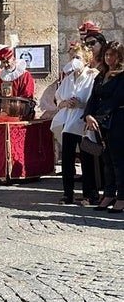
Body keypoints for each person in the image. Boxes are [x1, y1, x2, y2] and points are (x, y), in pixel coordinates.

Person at [51, 44, 98, 205]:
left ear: (86, 60)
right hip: (69, 122)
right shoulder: (68, 79)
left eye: (77, 57)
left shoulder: (92, 76)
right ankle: (67, 193)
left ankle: (89, 195)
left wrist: (81, 105)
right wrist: (66, 103)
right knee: (67, 160)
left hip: (84, 123)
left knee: (87, 160)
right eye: (72, 57)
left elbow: (95, 101)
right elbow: (58, 100)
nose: (74, 60)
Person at [84, 42, 124, 213]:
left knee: (118, 161)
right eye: (107, 54)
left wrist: (97, 119)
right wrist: (88, 116)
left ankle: (122, 197)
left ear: (120, 56)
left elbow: (115, 100)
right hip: (101, 122)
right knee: (106, 160)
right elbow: (92, 98)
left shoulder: (122, 76)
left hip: (118, 121)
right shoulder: (101, 75)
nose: (109, 58)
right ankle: (108, 193)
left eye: (112, 55)